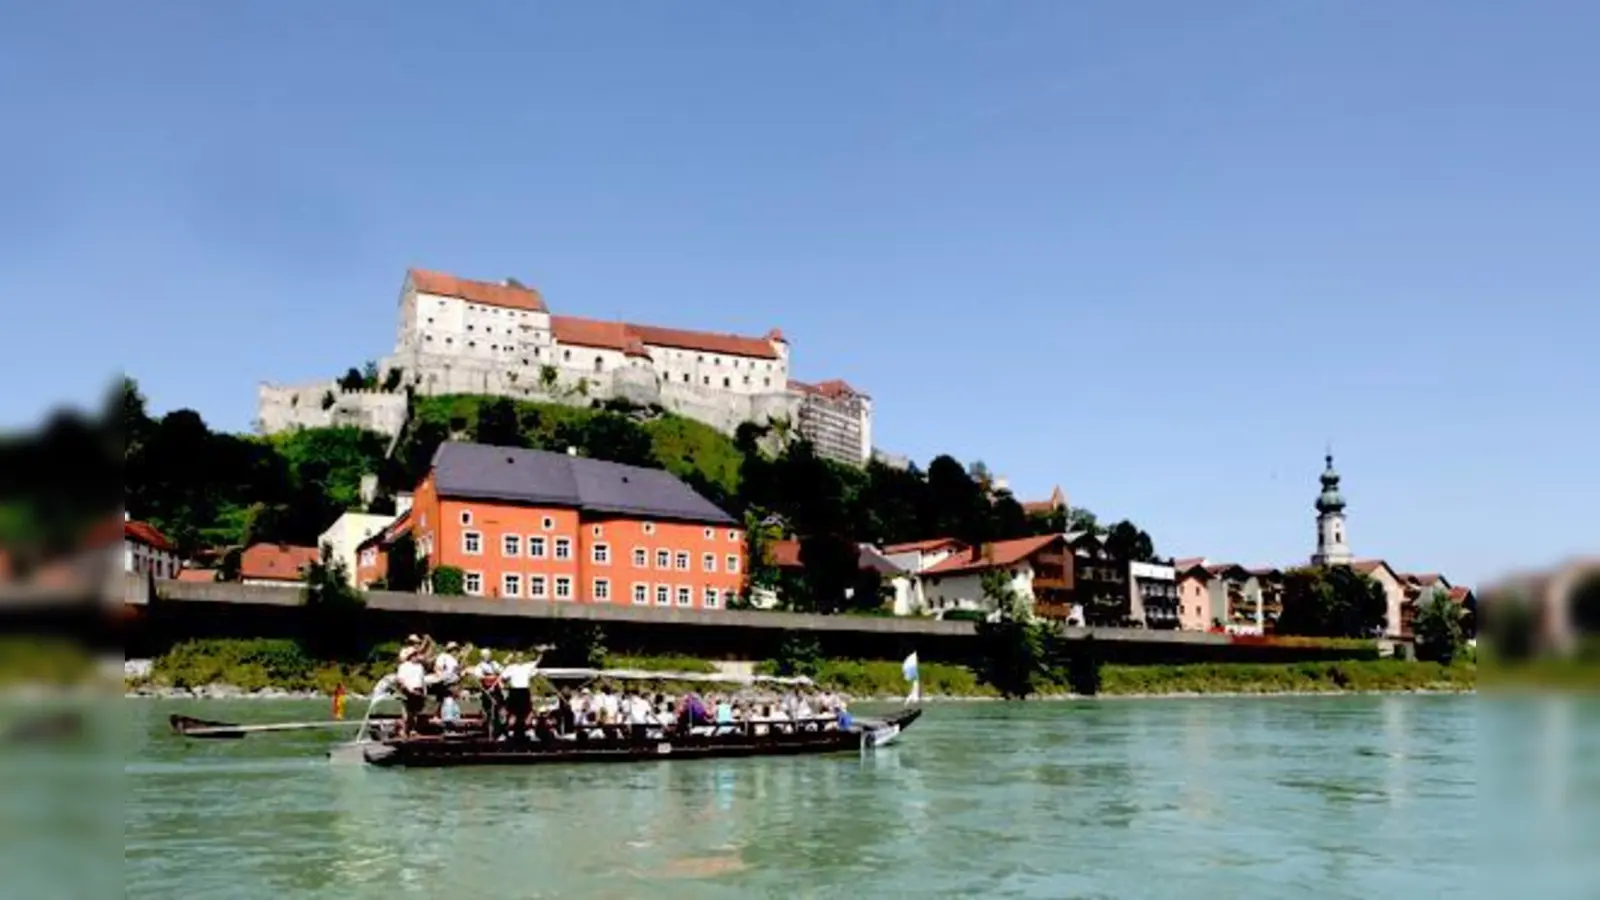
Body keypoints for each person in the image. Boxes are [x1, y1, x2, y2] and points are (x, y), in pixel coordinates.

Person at [500, 652, 535, 741]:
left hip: (524, 691)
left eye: (521, 657)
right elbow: (503, 677)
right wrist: (506, 662)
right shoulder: (511, 667)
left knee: (526, 712)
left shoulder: (528, 666)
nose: (520, 659)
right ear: (515, 658)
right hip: (514, 691)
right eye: (518, 657)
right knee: (512, 713)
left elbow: (537, 666)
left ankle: (527, 731)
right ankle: (508, 732)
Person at [470, 649, 504, 736]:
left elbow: (502, 672)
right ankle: (488, 729)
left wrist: (498, 678)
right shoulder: (479, 666)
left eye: (488, 655)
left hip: (496, 690)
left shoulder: (494, 664)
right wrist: (492, 677)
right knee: (488, 710)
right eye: (485, 655)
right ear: (482, 656)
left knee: (498, 709)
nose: (487, 656)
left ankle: (498, 729)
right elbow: (480, 677)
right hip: (487, 690)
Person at [396, 648, 428, 738]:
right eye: (415, 655)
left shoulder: (420, 667)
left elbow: (422, 680)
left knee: (415, 713)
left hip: (418, 691)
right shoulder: (404, 666)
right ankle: (404, 731)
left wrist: (424, 691)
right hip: (408, 691)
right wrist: (408, 689)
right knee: (407, 713)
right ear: (411, 656)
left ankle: (413, 731)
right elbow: (400, 680)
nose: (417, 657)